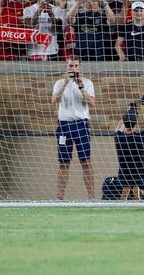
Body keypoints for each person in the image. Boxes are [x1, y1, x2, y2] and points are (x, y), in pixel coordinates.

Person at [51, 57, 96, 200]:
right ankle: (59, 198)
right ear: (67, 66)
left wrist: (81, 86)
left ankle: (91, 197)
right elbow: (54, 100)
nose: (73, 68)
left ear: (80, 66)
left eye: (76, 66)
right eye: (71, 66)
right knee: (63, 163)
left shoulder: (87, 82)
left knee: (85, 162)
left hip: (81, 125)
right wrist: (65, 82)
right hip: (64, 125)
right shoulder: (59, 82)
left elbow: (92, 103)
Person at [114, 96, 144, 200]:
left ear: (124, 122)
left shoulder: (118, 137)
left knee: (125, 193)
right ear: (136, 123)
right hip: (139, 174)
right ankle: (136, 199)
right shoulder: (140, 137)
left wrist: (129, 111)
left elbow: (119, 127)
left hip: (124, 174)